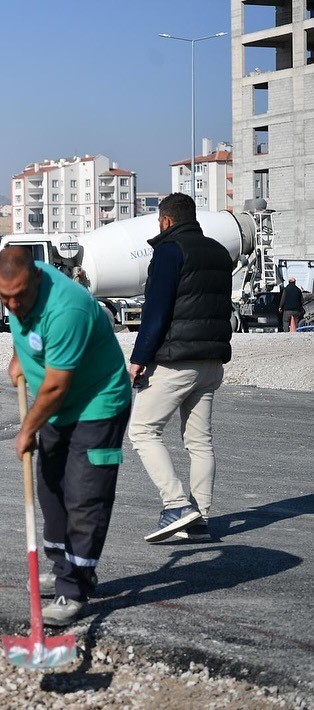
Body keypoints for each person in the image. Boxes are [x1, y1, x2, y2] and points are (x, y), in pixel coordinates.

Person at [0, 246, 132, 627]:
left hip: (97, 404)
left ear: (36, 279)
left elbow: (55, 387)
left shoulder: (67, 308)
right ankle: (61, 568)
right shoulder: (19, 286)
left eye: (19, 296)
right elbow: (27, 329)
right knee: (51, 487)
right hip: (57, 407)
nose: (12, 305)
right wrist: (19, 352)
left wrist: (26, 430)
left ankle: (73, 588)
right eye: (4, 297)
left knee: (85, 496)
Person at [128, 193, 234, 544]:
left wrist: (139, 358)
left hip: (176, 362)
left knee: (143, 430)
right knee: (200, 442)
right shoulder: (219, 252)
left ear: (167, 221)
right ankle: (200, 519)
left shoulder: (169, 251)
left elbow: (156, 311)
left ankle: (176, 505)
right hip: (211, 363)